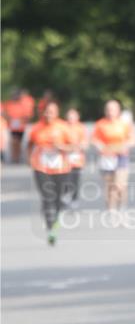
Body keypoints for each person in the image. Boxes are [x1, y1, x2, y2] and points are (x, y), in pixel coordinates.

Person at [27, 100, 72, 245]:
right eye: (47, 112)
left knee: (58, 198)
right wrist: (30, 159)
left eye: (52, 112)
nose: (49, 115)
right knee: (47, 196)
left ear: (57, 113)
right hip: (41, 167)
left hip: (61, 167)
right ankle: (50, 226)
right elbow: (29, 144)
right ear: (43, 113)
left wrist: (62, 147)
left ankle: (56, 220)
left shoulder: (63, 127)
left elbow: (74, 146)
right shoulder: (37, 128)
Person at [91, 99, 135, 216]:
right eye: (108, 109)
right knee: (109, 185)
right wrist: (100, 146)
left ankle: (122, 206)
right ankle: (111, 209)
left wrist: (126, 145)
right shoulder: (100, 124)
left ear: (118, 111)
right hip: (106, 158)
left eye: (113, 109)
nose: (110, 112)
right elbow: (93, 139)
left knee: (120, 184)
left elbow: (133, 139)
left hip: (121, 157)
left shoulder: (124, 124)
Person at [63, 107, 89, 207]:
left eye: (73, 117)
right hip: (65, 159)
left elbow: (85, 143)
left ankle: (74, 198)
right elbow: (59, 142)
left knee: (75, 179)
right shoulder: (63, 127)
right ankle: (65, 194)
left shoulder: (80, 128)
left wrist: (79, 146)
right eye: (69, 117)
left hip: (77, 159)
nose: (71, 119)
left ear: (77, 117)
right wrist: (68, 147)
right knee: (66, 179)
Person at [4, 88, 34, 164]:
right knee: (14, 141)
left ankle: (18, 156)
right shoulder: (9, 103)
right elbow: (5, 113)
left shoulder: (22, 104)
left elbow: (27, 115)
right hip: (12, 126)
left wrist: (23, 120)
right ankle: (15, 157)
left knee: (19, 142)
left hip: (21, 127)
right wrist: (9, 119)